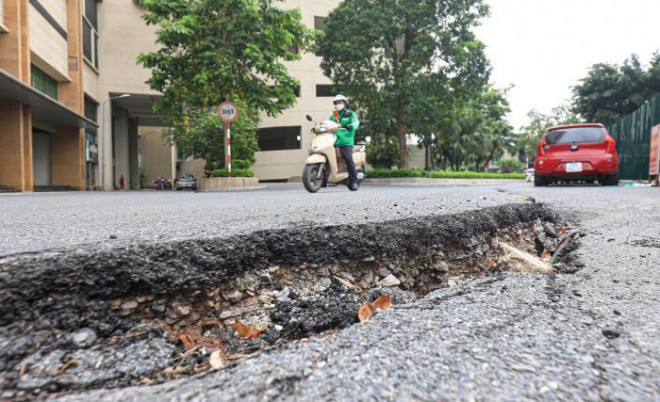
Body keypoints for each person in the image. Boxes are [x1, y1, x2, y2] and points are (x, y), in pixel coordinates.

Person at [329, 94, 360, 191]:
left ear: (344, 103)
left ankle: (354, 181)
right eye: (336, 103)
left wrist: (351, 126)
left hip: (346, 141)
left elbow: (356, 123)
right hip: (334, 141)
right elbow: (328, 124)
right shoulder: (334, 115)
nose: (338, 104)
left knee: (348, 159)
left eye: (340, 102)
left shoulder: (350, 114)